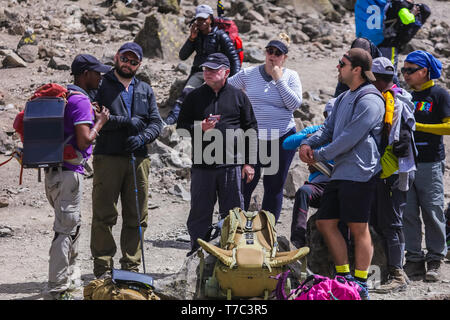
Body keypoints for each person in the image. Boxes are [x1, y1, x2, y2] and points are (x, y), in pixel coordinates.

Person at [299, 48, 385, 299]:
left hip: (360, 172)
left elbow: (349, 137)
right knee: (326, 222)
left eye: (342, 63)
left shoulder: (371, 99)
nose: (338, 67)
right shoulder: (345, 97)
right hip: (340, 172)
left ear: (356, 69)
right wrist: (308, 144)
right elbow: (328, 129)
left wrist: (320, 154)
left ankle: (361, 283)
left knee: (359, 228)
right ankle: (344, 277)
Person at [90, 42, 163, 278]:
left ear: (139, 65)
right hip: (108, 157)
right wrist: (124, 122)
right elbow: (94, 117)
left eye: (133, 61)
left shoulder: (145, 88)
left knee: (137, 216)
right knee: (104, 214)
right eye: (125, 59)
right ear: (117, 57)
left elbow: (156, 122)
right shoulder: (100, 84)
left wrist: (142, 137)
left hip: (139, 159)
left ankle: (130, 268)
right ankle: (102, 268)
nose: (128, 64)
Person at [176, 53, 257, 256]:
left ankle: (232, 253)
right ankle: (198, 254)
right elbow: (180, 127)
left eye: (213, 70)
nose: (208, 73)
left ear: (226, 72)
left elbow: (251, 129)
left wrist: (249, 162)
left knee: (233, 213)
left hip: (232, 164)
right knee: (199, 214)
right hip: (203, 165)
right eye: (205, 69)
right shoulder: (194, 96)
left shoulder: (238, 96)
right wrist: (199, 127)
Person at [44, 54, 110, 300]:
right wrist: (100, 122)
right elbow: (84, 140)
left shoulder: (65, 98)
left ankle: (70, 277)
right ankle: (58, 289)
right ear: (84, 74)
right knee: (65, 230)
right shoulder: (80, 101)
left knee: (72, 226)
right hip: (69, 174)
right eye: (96, 73)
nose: (100, 77)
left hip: (53, 174)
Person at [227, 34, 302, 223]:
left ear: (284, 57)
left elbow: (294, 104)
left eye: (278, 53)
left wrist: (279, 79)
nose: (273, 56)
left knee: (274, 185)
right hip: (254, 138)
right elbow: (225, 89)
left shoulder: (291, 76)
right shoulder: (249, 73)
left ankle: (268, 231)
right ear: (265, 52)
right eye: (270, 51)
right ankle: (237, 226)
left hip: (282, 136)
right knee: (245, 182)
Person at [369, 57, 417, 293]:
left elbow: (401, 141)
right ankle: (394, 271)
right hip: (390, 170)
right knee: (384, 220)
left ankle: (397, 273)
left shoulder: (395, 102)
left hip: (393, 172)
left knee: (391, 222)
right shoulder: (395, 98)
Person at [401, 50, 449, 282]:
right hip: (407, 163)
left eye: (410, 70)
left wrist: (418, 127)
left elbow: (448, 127)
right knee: (408, 213)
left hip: (430, 163)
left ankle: (435, 259)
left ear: (424, 71)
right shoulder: (406, 96)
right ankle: (413, 259)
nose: (406, 74)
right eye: (404, 70)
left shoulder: (439, 95)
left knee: (432, 211)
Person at [164, 4, 241, 125]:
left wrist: (234, 79)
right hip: (199, 73)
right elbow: (182, 56)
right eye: (199, 19)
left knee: (207, 96)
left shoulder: (221, 36)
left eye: (204, 19)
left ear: (210, 19)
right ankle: (172, 118)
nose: (201, 22)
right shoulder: (196, 36)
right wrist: (191, 38)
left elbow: (234, 58)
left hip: (217, 74)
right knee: (186, 92)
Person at [282, 103, 334, 249]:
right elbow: (287, 143)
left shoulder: (346, 133)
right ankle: (298, 240)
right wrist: (308, 138)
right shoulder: (317, 130)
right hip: (319, 185)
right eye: (327, 117)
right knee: (303, 192)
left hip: (340, 183)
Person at [378, 0, 430, 84]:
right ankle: (391, 88)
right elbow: (406, 19)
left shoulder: (389, 3)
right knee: (390, 68)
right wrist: (413, 14)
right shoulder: (401, 4)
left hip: (380, 39)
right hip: (390, 42)